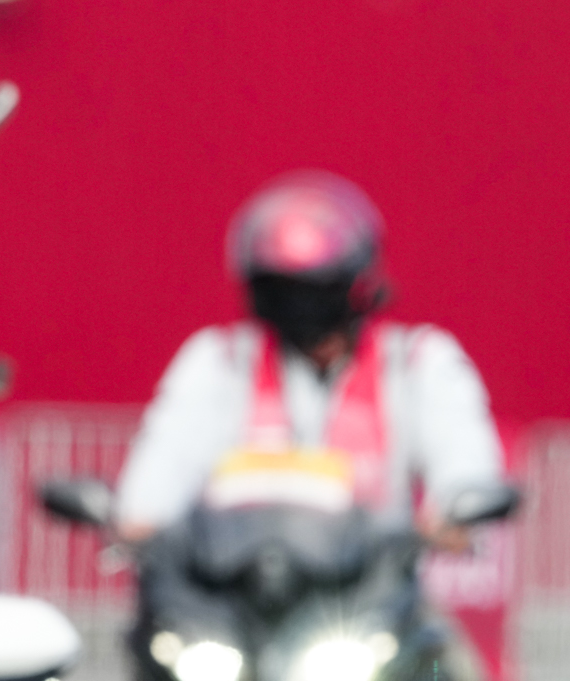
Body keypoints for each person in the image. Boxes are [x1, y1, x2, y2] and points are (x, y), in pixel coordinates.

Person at [117, 171, 504, 540]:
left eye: (318, 289)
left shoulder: (417, 364)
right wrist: (140, 522)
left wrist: (455, 512)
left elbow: (465, 467)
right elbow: (160, 475)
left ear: (355, 285)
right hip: (237, 593)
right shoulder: (222, 363)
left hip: (376, 594)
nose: (302, 307)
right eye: (285, 290)